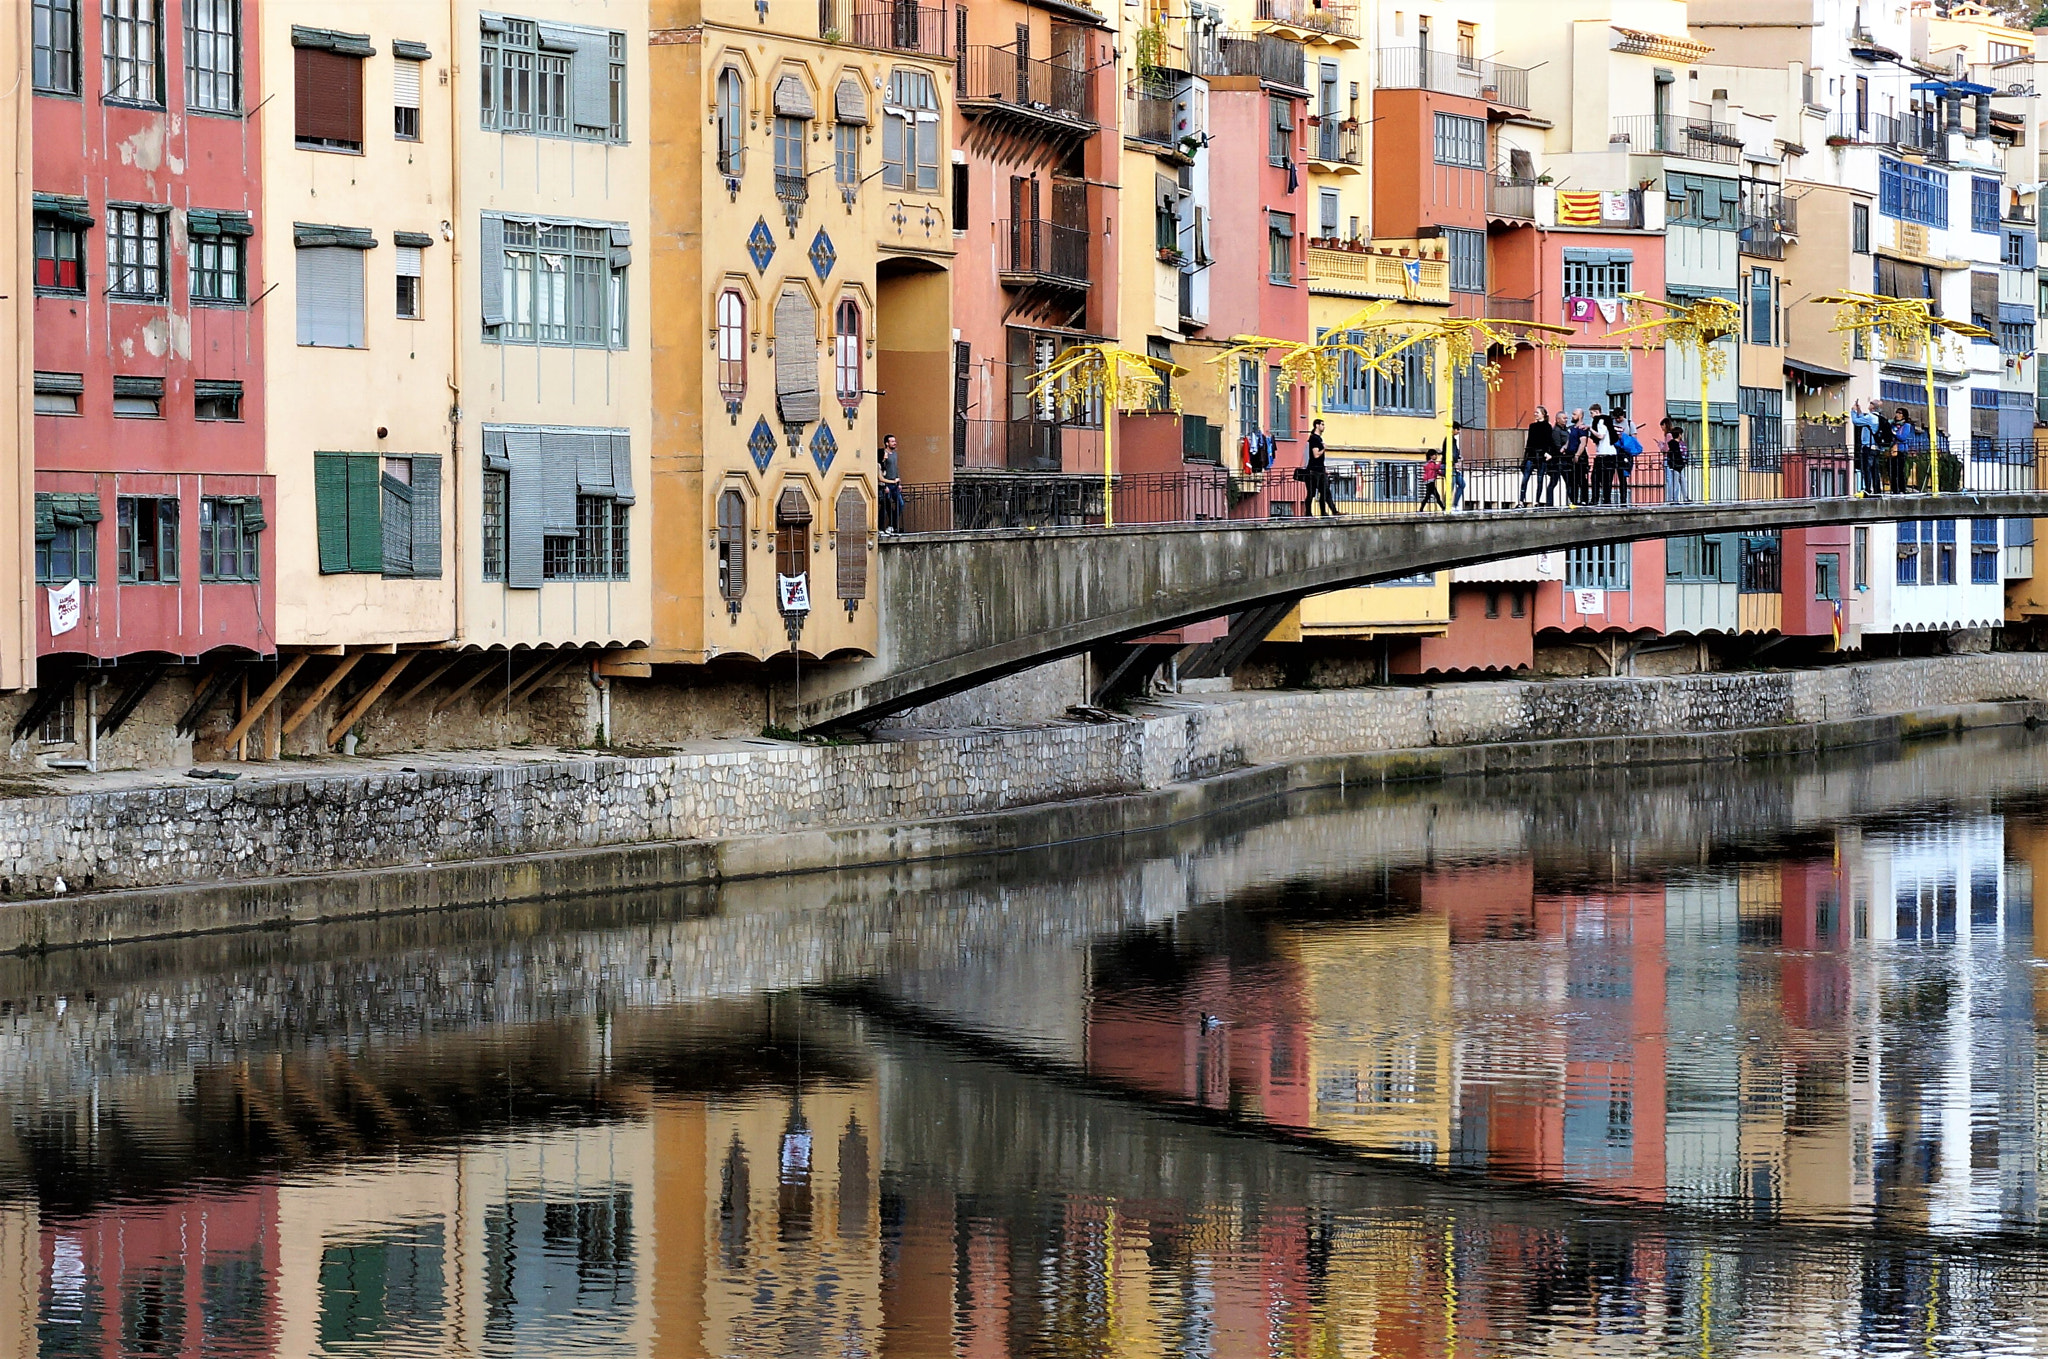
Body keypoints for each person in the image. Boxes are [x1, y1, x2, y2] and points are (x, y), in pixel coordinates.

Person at [1520, 405, 1557, 506]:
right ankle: (1521, 500)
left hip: (1541, 455)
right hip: (1532, 454)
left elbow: (1548, 441)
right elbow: (1530, 442)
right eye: (1535, 412)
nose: (1535, 414)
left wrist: (1548, 453)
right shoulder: (1532, 426)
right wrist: (1525, 456)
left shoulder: (1547, 426)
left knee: (1540, 479)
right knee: (1525, 478)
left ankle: (1537, 500)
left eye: (1537, 412)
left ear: (1543, 414)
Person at [1303, 417, 1339, 515]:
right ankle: (1309, 513)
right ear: (1317, 425)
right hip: (1313, 471)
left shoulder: (1318, 438)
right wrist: (1324, 448)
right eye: (1322, 424)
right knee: (1311, 493)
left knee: (1325, 492)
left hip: (1320, 469)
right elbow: (1316, 454)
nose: (1324, 427)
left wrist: (1324, 468)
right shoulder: (1314, 438)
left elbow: (1319, 458)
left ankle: (1330, 511)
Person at [1588, 403, 1618, 505]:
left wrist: (1590, 429)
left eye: (1592, 413)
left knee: (1596, 478)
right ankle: (1606, 500)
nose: (1591, 416)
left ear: (1597, 412)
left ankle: (1597, 500)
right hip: (1607, 453)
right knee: (1606, 479)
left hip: (1605, 454)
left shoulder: (1600, 421)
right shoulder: (1605, 420)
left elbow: (1601, 436)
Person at [1849, 399, 1881, 496]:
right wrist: (1859, 411)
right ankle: (1877, 490)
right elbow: (1863, 419)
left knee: (1867, 469)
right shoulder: (1878, 417)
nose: (1869, 405)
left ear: (1873, 406)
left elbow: (1856, 422)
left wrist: (1853, 411)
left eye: (1871, 403)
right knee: (1875, 470)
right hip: (1877, 447)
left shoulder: (1870, 417)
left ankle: (1867, 489)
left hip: (1868, 446)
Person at [879, 433, 905, 533]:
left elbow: (896, 468)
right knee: (886, 506)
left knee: (900, 504)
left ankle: (892, 525)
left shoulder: (895, 454)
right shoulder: (883, 455)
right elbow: (882, 470)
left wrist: (899, 482)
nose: (895, 443)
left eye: (894, 441)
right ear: (887, 443)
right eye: (892, 441)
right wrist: (884, 485)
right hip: (887, 484)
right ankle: (884, 527)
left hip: (895, 484)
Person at [1661, 416, 1691, 503]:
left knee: (1672, 481)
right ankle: (1680, 498)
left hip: (1674, 464)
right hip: (1678, 464)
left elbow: (1667, 449)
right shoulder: (1677, 443)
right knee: (1678, 481)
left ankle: (1673, 499)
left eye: (1662, 426)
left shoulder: (1669, 438)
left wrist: (1661, 446)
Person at [1562, 409, 1589, 505]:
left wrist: (1578, 454)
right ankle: (1573, 500)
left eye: (1574, 414)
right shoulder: (1572, 428)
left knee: (1581, 479)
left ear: (1580, 416)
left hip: (1580, 457)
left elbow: (1583, 443)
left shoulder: (1582, 429)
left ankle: (1584, 500)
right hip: (1570, 456)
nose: (1572, 416)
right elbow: (1570, 440)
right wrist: (1564, 447)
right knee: (1572, 480)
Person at [1891, 408, 1916, 493]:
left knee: (1900, 471)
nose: (1897, 415)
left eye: (1900, 413)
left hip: (1901, 450)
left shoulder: (1906, 426)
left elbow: (1903, 437)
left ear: (1903, 415)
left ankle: (1901, 489)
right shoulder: (1893, 425)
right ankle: (1894, 489)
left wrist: (1894, 433)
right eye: (1897, 413)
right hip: (1893, 450)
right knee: (1893, 472)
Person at [1418, 447, 1447, 512]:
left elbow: (1436, 471)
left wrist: (1442, 474)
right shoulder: (1431, 463)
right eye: (1435, 455)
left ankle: (1421, 509)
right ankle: (1443, 507)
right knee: (1435, 496)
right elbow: (1436, 468)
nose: (1436, 456)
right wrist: (1441, 462)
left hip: (1430, 481)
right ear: (1431, 456)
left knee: (1429, 496)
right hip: (1430, 481)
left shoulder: (1430, 463)